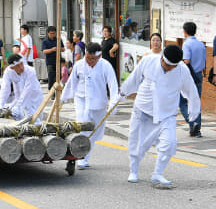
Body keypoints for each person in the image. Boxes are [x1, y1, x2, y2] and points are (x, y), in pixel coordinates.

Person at [119, 45, 200, 187]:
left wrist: (194, 110)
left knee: (169, 144)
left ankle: (157, 173)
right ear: (162, 57)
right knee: (137, 144)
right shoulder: (148, 61)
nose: (169, 68)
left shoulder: (182, 70)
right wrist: (123, 93)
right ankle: (134, 170)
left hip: (166, 113)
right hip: (143, 110)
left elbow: (191, 91)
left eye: (172, 66)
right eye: (167, 65)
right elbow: (135, 78)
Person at [62, 42, 119, 169]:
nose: (89, 61)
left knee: (95, 132)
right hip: (81, 100)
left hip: (99, 103)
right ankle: (81, 158)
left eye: (92, 59)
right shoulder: (79, 65)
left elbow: (113, 86)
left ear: (99, 57)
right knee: (83, 128)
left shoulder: (106, 66)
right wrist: (63, 99)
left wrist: (113, 103)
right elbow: (72, 83)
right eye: (87, 57)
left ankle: (85, 155)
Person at [0, 54, 43, 121]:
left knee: (36, 118)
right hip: (19, 97)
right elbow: (5, 89)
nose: (21, 67)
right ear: (12, 68)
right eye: (18, 66)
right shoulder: (8, 72)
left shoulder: (30, 71)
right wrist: (0, 106)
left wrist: (19, 106)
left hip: (34, 97)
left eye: (21, 64)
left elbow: (27, 90)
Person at [180, 22, 206, 137]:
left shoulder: (186, 44)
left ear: (185, 31)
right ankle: (197, 130)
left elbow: (186, 61)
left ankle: (192, 122)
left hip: (189, 76)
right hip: (199, 75)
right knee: (196, 102)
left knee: (181, 101)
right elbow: (204, 61)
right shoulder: (201, 44)